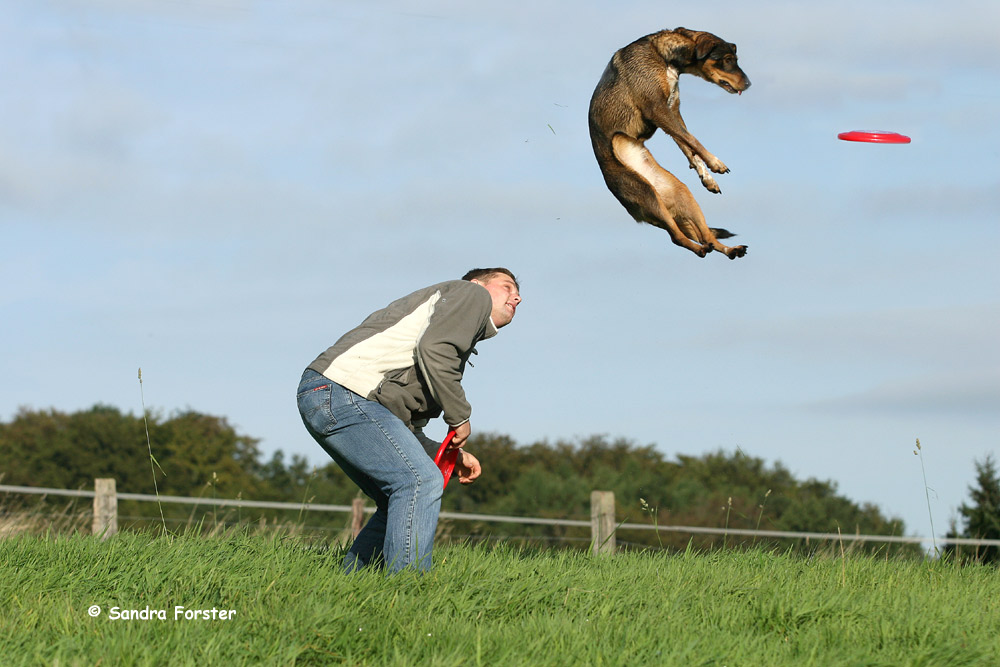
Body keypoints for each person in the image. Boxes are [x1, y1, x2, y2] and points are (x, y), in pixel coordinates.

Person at [296, 268, 521, 573]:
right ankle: (409, 588)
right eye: (506, 286)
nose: (517, 296)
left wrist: (448, 456)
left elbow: (399, 428)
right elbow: (435, 349)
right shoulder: (470, 294)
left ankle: (351, 586)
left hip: (329, 396)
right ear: (477, 284)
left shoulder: (448, 327)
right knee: (419, 482)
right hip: (344, 392)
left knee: (400, 495)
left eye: (518, 293)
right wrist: (460, 416)